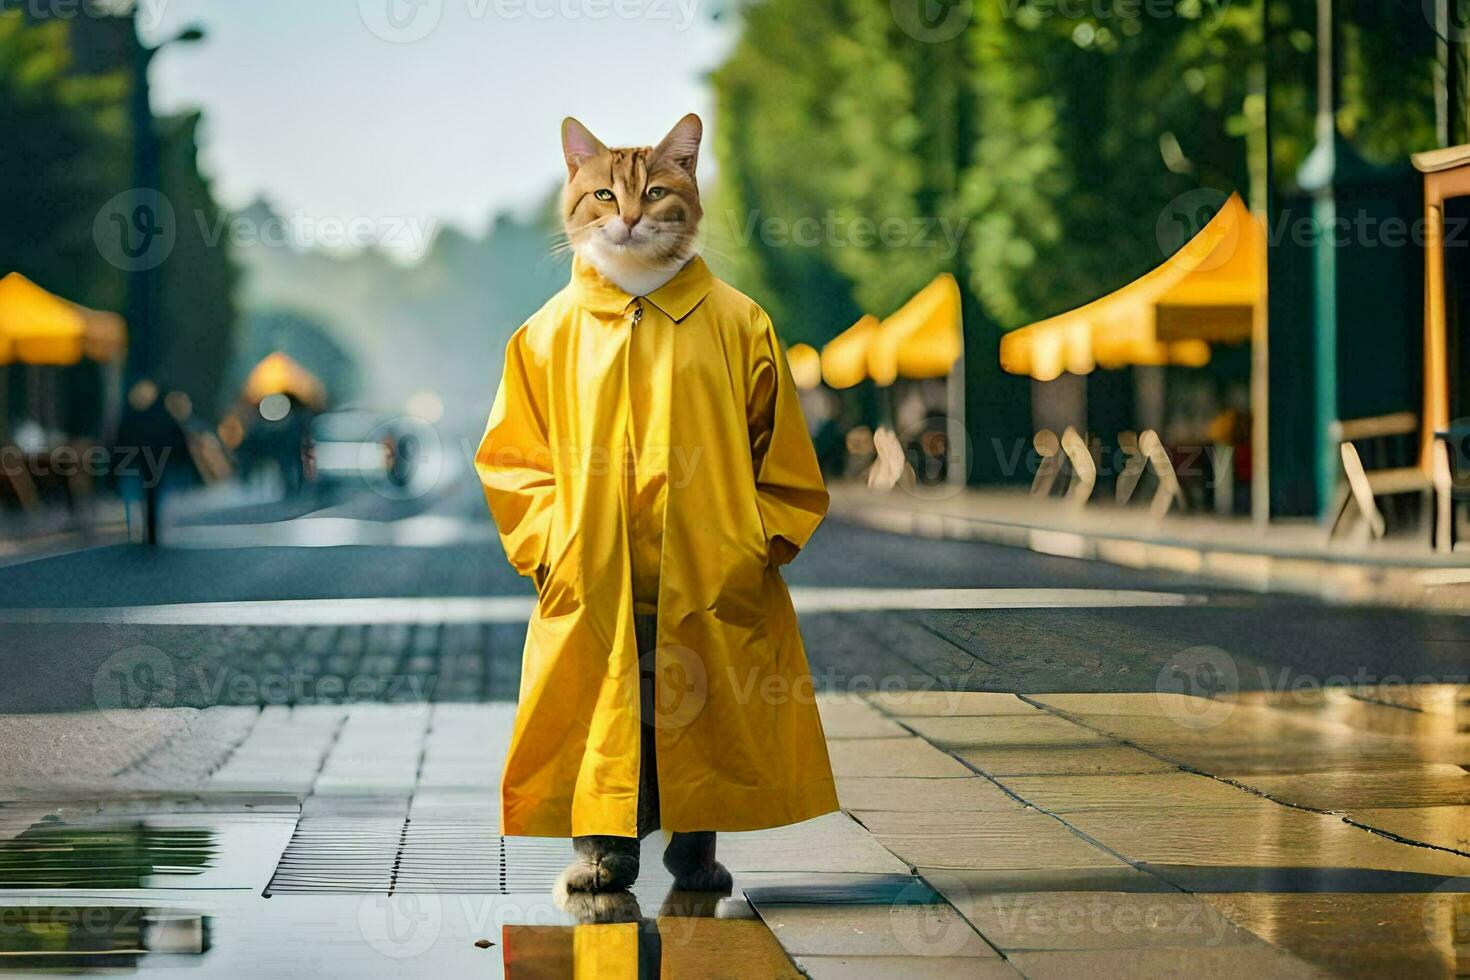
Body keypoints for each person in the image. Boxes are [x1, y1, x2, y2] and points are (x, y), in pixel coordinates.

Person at [476, 113, 836, 902]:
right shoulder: (545, 335)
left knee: (698, 701)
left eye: (656, 195)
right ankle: (604, 847)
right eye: (604, 197)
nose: (629, 215)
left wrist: (756, 543)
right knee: (604, 709)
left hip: (710, 569)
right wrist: (551, 549)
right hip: (593, 570)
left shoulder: (740, 324)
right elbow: (511, 461)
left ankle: (694, 846)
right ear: (575, 195)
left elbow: (787, 460)